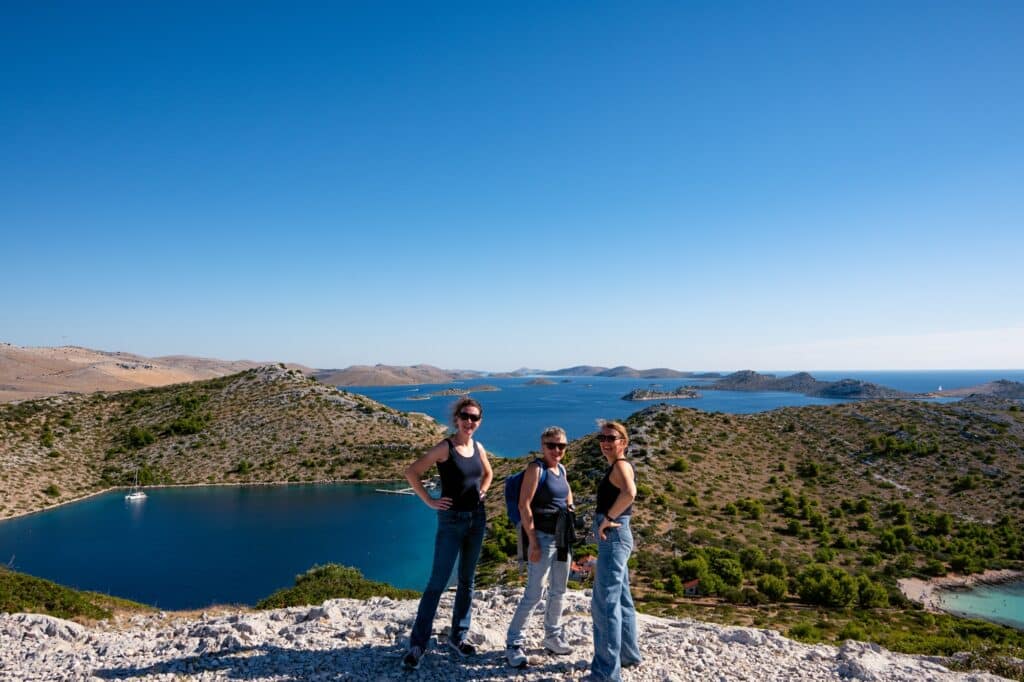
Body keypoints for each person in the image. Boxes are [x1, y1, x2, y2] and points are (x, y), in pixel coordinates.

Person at [402, 397, 493, 670]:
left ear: (479, 421)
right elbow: (412, 472)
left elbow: (488, 473)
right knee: (437, 583)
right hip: (451, 521)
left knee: (467, 581)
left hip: (477, 519)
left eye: (474, 418)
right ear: (456, 419)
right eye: (465, 416)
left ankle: (458, 637)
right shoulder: (445, 448)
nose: (469, 421)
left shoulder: (478, 447)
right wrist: (430, 501)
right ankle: (418, 644)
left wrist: (484, 490)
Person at [505, 426, 576, 668]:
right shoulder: (536, 468)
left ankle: (552, 636)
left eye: (561, 446)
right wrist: (532, 542)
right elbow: (524, 506)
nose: (557, 450)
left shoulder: (561, 469)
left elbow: (568, 497)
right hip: (543, 538)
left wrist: (570, 512)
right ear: (542, 446)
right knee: (534, 593)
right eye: (551, 445)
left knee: (559, 591)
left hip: (562, 538)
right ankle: (514, 643)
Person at [588, 420, 642, 681]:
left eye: (611, 438)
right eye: (603, 438)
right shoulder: (620, 466)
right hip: (619, 536)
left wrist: (608, 517)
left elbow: (630, 493)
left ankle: (605, 673)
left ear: (624, 442)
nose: (606, 442)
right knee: (621, 599)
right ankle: (628, 655)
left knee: (604, 604)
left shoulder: (620, 465)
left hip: (614, 536)